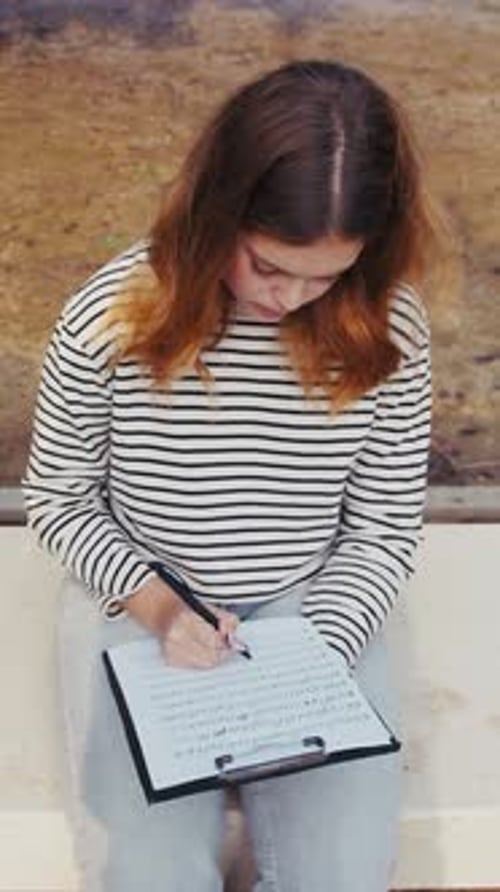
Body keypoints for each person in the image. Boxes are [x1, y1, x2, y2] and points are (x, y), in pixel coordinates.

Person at [23, 59, 442, 892]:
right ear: (218, 212)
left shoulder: (390, 325)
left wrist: (312, 655)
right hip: (141, 599)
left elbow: (383, 526)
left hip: (313, 600)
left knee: (342, 875)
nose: (291, 298)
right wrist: (160, 608)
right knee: (147, 873)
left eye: (327, 276)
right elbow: (60, 498)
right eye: (269, 266)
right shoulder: (111, 314)